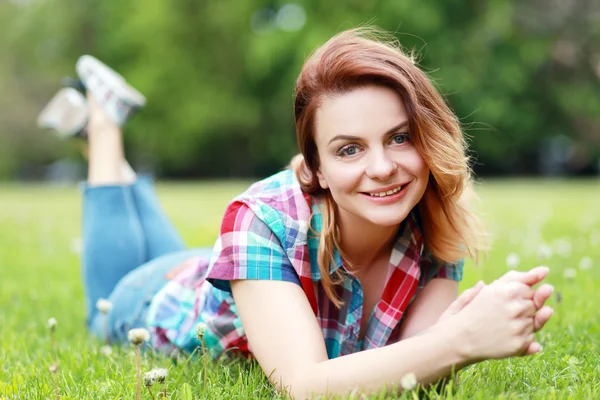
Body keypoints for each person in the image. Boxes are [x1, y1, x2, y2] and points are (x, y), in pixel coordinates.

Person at [39, 27, 555, 399]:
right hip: (157, 299)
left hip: (236, 275)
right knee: (102, 304)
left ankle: (101, 137)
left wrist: (453, 343)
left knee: (184, 256)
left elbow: (415, 371)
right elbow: (306, 385)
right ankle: (105, 124)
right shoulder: (258, 217)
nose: (383, 168)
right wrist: (463, 339)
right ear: (317, 168)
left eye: (400, 138)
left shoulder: (431, 221)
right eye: (349, 149)